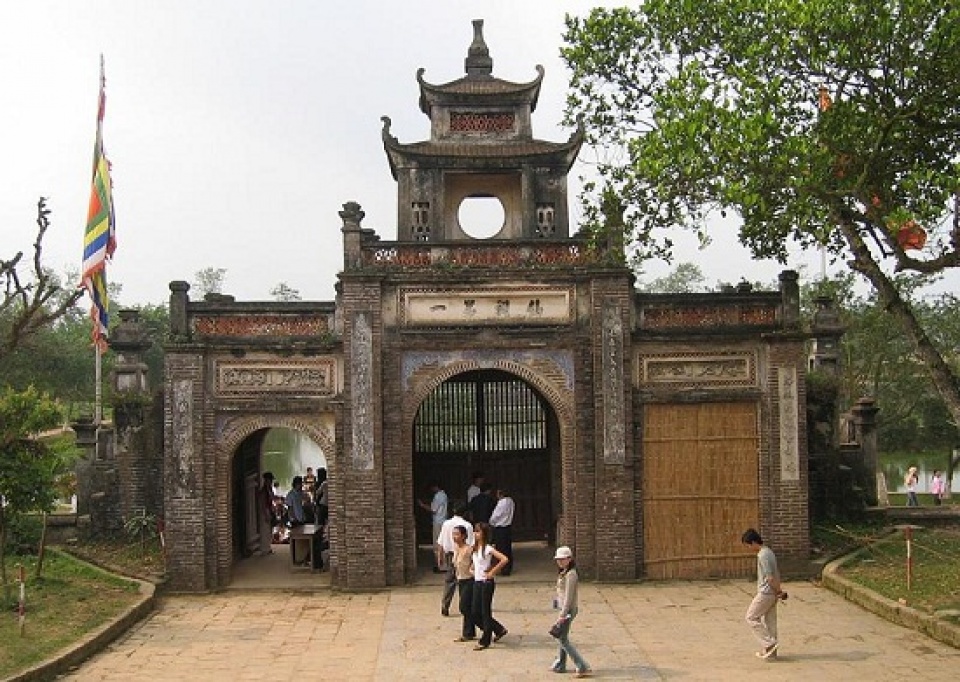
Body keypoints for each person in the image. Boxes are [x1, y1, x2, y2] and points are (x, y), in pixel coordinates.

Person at [742, 528, 784, 660]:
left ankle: (769, 644)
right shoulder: (769, 552)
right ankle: (771, 653)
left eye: (748, 545)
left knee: (751, 617)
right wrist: (778, 591)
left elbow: (770, 577)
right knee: (770, 621)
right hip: (772, 592)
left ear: (754, 542)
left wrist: (778, 591)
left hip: (766, 592)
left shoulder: (762, 555)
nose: (749, 548)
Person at [550, 546, 591, 677]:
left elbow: (569, 597)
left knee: (563, 639)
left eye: (562, 559)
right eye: (558, 559)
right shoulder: (564, 572)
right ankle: (561, 664)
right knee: (562, 636)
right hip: (563, 608)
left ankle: (582, 665)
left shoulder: (571, 574)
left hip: (568, 610)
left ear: (569, 559)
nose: (560, 562)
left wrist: (562, 614)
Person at [470, 522, 509, 650]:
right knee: (475, 612)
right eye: (475, 531)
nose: (476, 534)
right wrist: (472, 570)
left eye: (478, 532)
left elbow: (504, 559)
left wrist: (492, 572)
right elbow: (475, 564)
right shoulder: (475, 548)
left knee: (485, 611)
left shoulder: (487, 548)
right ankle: (498, 629)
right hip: (477, 581)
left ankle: (485, 640)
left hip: (486, 583)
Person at [438, 507, 475, 616]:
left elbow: (441, 542)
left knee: (450, 581)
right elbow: (472, 544)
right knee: (464, 581)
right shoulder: (467, 525)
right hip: (464, 555)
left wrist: (440, 556)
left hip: (450, 554)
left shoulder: (446, 524)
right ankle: (464, 604)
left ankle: (445, 605)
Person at [451, 524, 477, 642]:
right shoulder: (456, 548)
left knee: (464, 607)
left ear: (464, 536)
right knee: (467, 607)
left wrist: (473, 570)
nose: (454, 537)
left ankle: (490, 627)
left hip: (469, 580)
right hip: (461, 580)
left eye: (457, 534)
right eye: (453, 534)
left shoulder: (469, 549)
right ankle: (468, 632)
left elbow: (475, 562)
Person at [418, 481, 449, 573]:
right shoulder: (444, 495)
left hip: (438, 522)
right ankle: (443, 565)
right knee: (443, 544)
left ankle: (441, 565)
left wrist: (422, 505)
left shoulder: (438, 496)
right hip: (443, 520)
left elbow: (433, 509)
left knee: (437, 545)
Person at [489, 488, 515, 575]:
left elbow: (495, 515)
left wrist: (491, 522)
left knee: (501, 549)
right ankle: (508, 567)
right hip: (508, 527)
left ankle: (503, 568)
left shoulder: (502, 502)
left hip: (500, 527)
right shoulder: (511, 501)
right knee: (507, 548)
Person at [257, 472, 276, 556]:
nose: (271, 482)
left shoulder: (269, 489)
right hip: (265, 510)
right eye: (270, 480)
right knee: (265, 530)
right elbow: (262, 503)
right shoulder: (263, 491)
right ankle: (264, 549)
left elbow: (272, 499)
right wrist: (265, 514)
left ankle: (268, 547)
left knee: (269, 530)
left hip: (269, 509)